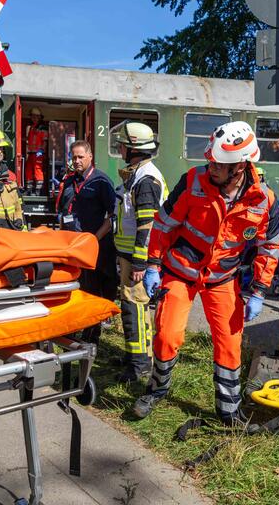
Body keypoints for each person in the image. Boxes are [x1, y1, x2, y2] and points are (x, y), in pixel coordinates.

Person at [131, 121, 279, 425]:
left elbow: (269, 248)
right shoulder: (192, 181)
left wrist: (259, 291)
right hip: (180, 271)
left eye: (218, 163)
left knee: (229, 342)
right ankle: (157, 390)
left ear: (240, 166)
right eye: (210, 160)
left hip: (222, 279)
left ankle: (228, 410)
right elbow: (163, 225)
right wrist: (152, 265)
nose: (210, 166)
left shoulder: (264, 200)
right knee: (167, 336)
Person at [111, 122, 167, 383]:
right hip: (130, 256)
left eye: (122, 145)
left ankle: (139, 366)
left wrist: (140, 263)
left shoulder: (146, 180)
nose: (119, 148)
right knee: (132, 307)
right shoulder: (138, 174)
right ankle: (137, 358)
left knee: (135, 309)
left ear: (132, 148)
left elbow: (148, 225)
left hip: (137, 259)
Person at [58, 140, 117, 326]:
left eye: (80, 157)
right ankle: (85, 316)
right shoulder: (69, 181)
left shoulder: (101, 181)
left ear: (90, 157)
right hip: (74, 243)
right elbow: (63, 209)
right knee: (82, 281)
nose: (76, 161)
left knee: (104, 278)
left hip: (96, 243)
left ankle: (105, 314)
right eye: (73, 157)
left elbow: (113, 215)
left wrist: (95, 239)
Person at [25, 107, 48, 196]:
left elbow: (45, 141)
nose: (33, 118)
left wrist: (41, 152)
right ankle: (29, 189)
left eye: (35, 116)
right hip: (31, 153)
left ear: (39, 117)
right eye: (32, 116)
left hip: (38, 153)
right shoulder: (31, 127)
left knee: (37, 170)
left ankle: (38, 191)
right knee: (29, 170)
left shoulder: (43, 128)